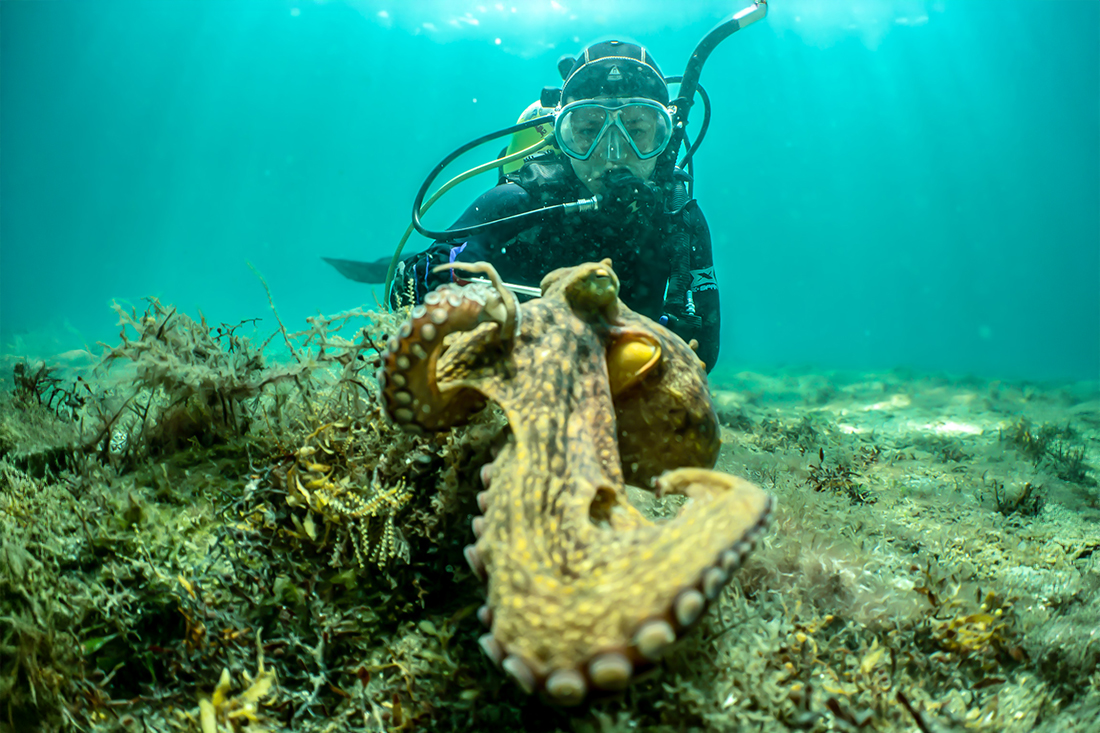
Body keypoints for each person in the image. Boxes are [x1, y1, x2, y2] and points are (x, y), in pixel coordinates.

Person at [327, 40, 722, 371]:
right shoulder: (520, 200)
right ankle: (374, 266)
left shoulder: (680, 218)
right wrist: (429, 281)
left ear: (665, 138)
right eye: (588, 130)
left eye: (637, 130)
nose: (613, 153)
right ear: (561, 135)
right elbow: (429, 276)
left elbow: (704, 349)